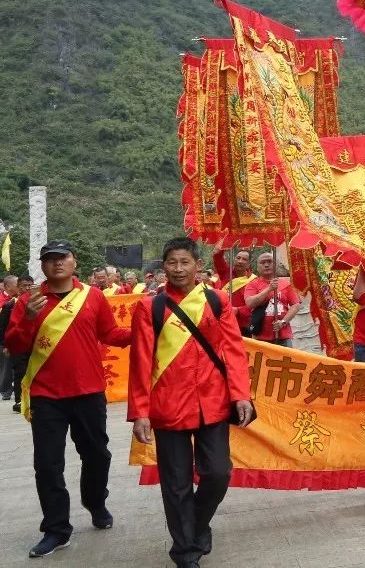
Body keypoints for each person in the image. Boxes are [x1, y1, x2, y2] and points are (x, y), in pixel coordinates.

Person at [128, 237, 253, 568]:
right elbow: (141, 361)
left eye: (185, 262)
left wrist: (241, 394)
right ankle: (185, 552)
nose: (178, 269)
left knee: (217, 473)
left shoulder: (216, 301)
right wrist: (139, 412)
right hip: (168, 406)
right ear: (164, 266)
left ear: (198, 265)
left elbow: (233, 351)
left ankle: (197, 525)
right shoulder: (149, 307)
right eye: (172, 262)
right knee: (176, 483)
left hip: (212, 402)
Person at [3, 240, 132, 558]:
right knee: (47, 465)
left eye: (63, 258)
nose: (57, 263)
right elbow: (15, 345)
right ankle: (56, 529)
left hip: (88, 392)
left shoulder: (93, 296)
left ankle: (95, 501)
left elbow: (110, 334)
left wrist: (144, 330)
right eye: (50, 259)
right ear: (42, 266)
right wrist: (29, 319)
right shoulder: (28, 301)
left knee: (98, 456)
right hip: (47, 396)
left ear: (75, 263)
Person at [242, 254, 300, 348]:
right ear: (257, 267)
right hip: (260, 337)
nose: (266, 265)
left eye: (269, 261)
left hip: (283, 337)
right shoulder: (252, 285)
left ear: (275, 264)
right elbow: (250, 303)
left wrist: (283, 322)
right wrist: (269, 289)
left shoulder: (286, 284)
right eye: (263, 262)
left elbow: (295, 305)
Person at [4, 275, 35, 412]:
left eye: (30, 285)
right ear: (18, 287)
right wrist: (5, 345)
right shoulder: (10, 304)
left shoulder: (38, 301)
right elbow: (3, 327)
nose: (27, 288)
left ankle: (33, 398)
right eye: (24, 285)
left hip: (34, 344)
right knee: (20, 373)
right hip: (17, 344)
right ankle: (19, 400)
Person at [0, 274, 17, 401]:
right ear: (7, 286)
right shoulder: (4, 301)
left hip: (16, 336)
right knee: (6, 365)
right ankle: (5, 390)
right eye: (16, 284)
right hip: (4, 337)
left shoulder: (18, 299)